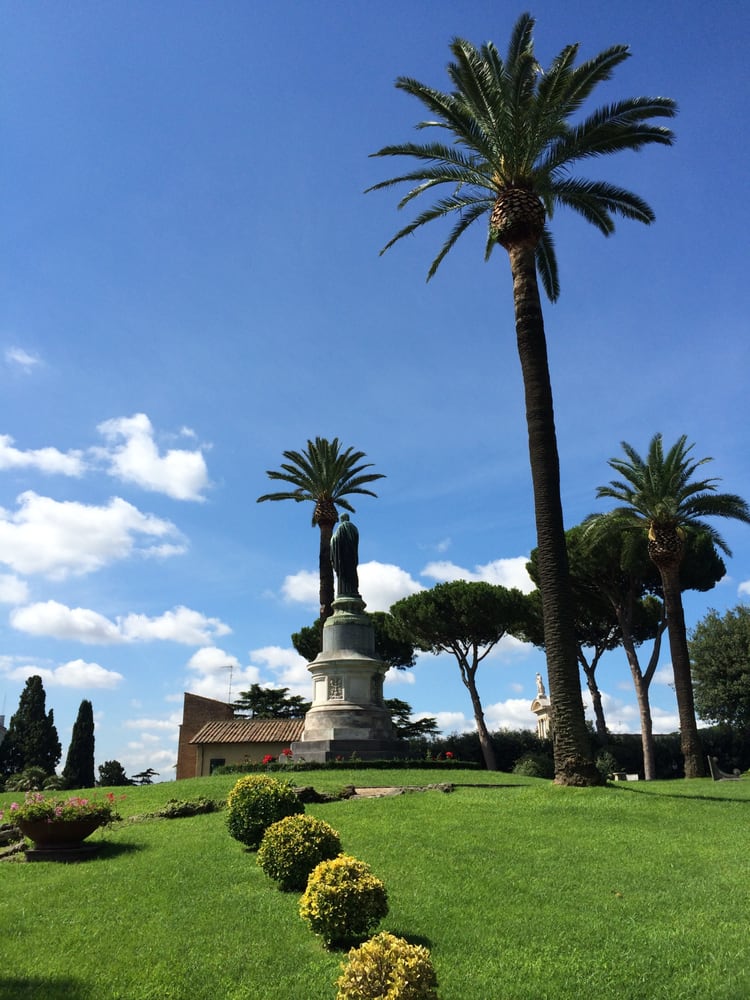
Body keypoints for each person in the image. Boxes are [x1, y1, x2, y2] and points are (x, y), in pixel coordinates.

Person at [330, 514, 360, 598]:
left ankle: (345, 592)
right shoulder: (354, 528)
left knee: (344, 576)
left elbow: (336, 539)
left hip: (343, 557)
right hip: (352, 556)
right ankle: (354, 591)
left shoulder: (342, 526)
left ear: (343, 519)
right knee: (352, 574)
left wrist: (332, 540)